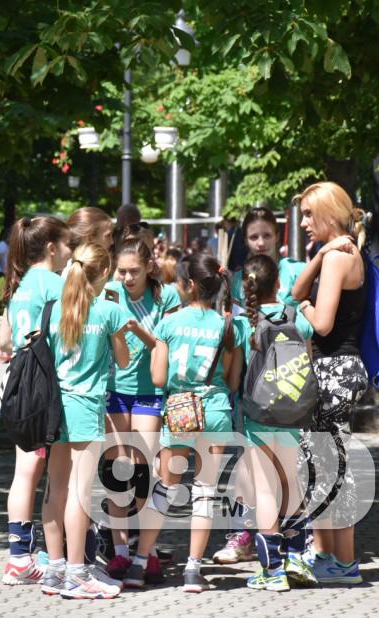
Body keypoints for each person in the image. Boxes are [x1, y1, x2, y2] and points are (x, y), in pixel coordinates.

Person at [145, 253, 242, 593]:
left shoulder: (169, 323)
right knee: (205, 490)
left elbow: (158, 377)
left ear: (188, 285)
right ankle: (193, 569)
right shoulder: (228, 325)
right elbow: (232, 382)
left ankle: (141, 560)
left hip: (179, 411)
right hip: (214, 410)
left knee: (165, 486)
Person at [290, 181, 368, 584]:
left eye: (308, 214)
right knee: (321, 464)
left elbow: (320, 321)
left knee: (333, 466)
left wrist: (305, 304)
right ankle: (325, 556)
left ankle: (344, 563)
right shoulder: (338, 252)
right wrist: (319, 253)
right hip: (336, 369)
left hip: (334, 370)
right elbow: (296, 288)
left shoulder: (340, 257)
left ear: (329, 213)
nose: (303, 222)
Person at [41, 242, 130, 600]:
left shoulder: (54, 309)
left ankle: (55, 568)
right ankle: (78, 573)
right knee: (81, 490)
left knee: (55, 486)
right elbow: (123, 361)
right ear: (104, 273)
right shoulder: (109, 310)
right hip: (87, 405)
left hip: (53, 406)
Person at [0, 215, 72, 586]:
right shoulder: (55, 284)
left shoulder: (20, 284)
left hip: (18, 382)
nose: (71, 252)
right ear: (53, 248)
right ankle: (46, 557)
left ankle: (18, 557)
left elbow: (5, 341)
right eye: (68, 244)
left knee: (23, 473)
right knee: (52, 476)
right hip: (46, 386)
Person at [101, 237, 180, 586]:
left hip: (150, 392)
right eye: (122, 271)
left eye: (134, 271)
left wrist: (141, 334)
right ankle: (119, 550)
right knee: (118, 471)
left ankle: (143, 551)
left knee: (143, 470)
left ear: (149, 267)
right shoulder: (109, 292)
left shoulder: (166, 297)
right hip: (115, 389)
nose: (128, 278)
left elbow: (168, 344)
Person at [238, 255, 318, 591]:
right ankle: (297, 558)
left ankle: (272, 572)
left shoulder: (246, 324)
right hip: (293, 411)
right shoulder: (297, 318)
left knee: (265, 488)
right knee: (291, 484)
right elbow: (308, 356)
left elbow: (239, 369)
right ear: (280, 285)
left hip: (259, 415)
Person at [231, 208, 306, 312]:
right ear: (245, 241)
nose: (261, 243)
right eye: (254, 237)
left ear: (277, 236)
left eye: (267, 236)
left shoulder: (298, 270)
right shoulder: (238, 280)